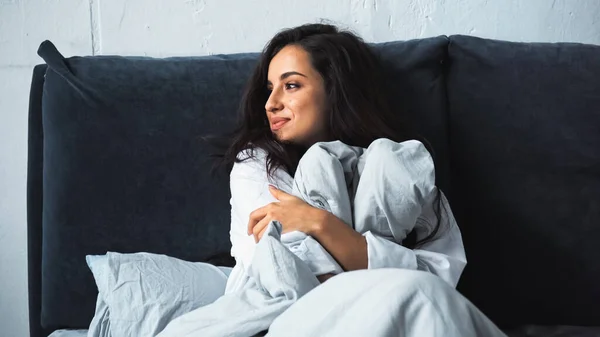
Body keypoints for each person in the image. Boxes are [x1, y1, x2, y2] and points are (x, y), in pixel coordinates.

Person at [213, 23, 507, 336]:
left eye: (292, 85)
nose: (271, 103)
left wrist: (320, 223)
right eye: (270, 89)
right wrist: (382, 257)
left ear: (335, 89)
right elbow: (297, 277)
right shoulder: (258, 164)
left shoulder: (399, 170)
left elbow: (436, 282)